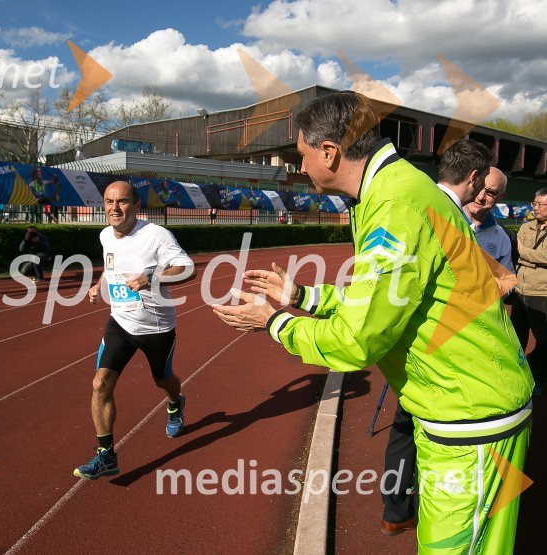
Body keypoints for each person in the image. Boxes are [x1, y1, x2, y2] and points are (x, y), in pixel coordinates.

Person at [212, 91, 532, 553]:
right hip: (456, 403)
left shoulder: (394, 204)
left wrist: (275, 322)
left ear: (329, 152)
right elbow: (382, 302)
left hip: (471, 411)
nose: (300, 167)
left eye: (302, 155)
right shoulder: (391, 189)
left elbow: (357, 341)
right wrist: (303, 295)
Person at [378, 138, 497, 537]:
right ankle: (432, 517)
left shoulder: (419, 199)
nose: (486, 197)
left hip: (419, 350)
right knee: (427, 436)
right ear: (474, 177)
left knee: (404, 431)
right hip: (444, 356)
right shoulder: (440, 210)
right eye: (486, 188)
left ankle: (396, 513)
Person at [74, 180, 196, 480]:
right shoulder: (105, 235)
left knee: (163, 380)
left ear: (137, 205)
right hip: (120, 322)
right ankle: (106, 455)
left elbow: (188, 267)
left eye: (123, 202)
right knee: (100, 383)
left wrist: (152, 277)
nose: (115, 208)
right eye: (109, 202)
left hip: (156, 328)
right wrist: (98, 284)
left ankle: (175, 402)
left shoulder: (156, 235)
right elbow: (110, 264)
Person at [511, 188, 547, 396]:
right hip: (520, 291)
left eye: (540, 204)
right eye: (534, 203)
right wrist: (530, 256)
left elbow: (532, 254)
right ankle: (516, 375)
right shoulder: (526, 227)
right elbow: (519, 254)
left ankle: (538, 376)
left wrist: (525, 253)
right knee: (516, 337)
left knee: (543, 341)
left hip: (541, 293)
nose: (535, 207)